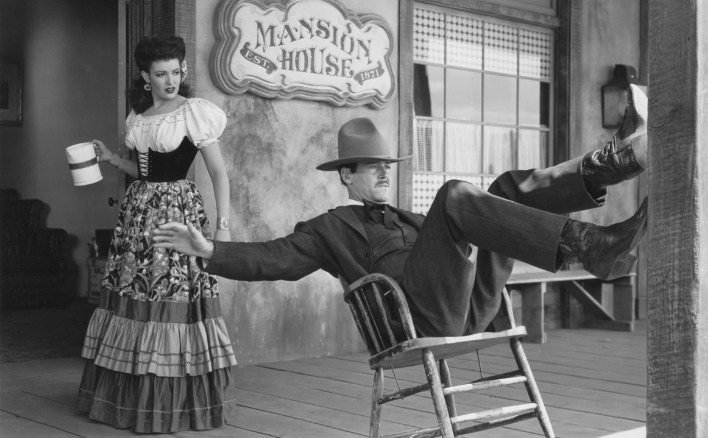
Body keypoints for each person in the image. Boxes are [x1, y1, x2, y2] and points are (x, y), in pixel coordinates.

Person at [154, 85, 649, 339]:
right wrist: (210, 251)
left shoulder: (410, 220)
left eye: (387, 166)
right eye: (372, 168)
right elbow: (272, 260)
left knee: (500, 188)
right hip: (416, 321)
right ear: (346, 176)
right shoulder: (330, 228)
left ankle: (612, 165)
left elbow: (459, 245)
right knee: (455, 194)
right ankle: (590, 245)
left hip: (470, 307)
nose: (385, 175)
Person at [77, 36, 236, 433]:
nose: (170, 80)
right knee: (135, 295)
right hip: (137, 217)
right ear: (146, 77)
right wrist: (112, 158)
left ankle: (174, 405)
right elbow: (142, 171)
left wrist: (222, 227)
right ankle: (129, 401)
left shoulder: (194, 113)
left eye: (176, 72)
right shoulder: (139, 115)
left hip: (176, 214)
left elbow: (218, 173)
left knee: (171, 295)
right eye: (161, 74)